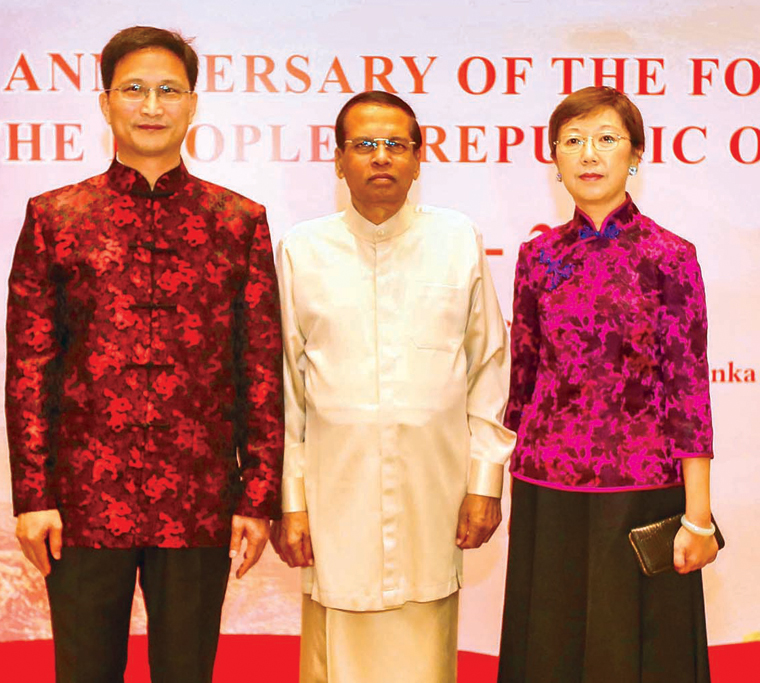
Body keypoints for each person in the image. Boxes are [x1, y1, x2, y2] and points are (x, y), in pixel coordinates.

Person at [4, 26, 283, 683]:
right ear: (105, 103)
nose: (151, 106)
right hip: (82, 499)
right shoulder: (57, 217)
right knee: (84, 669)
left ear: (192, 104)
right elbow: (30, 365)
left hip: (201, 496)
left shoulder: (237, 220)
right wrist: (32, 494)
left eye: (167, 91)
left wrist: (257, 493)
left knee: (187, 670)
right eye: (133, 90)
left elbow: (261, 367)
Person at [272, 91, 516, 683]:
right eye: (364, 145)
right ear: (338, 160)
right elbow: (287, 387)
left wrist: (484, 483)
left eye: (394, 145)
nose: (380, 157)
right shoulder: (302, 250)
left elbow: (489, 368)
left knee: (424, 651)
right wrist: (291, 500)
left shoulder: (458, 240)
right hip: (335, 503)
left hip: (433, 500)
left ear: (417, 158)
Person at [498, 86, 719, 683]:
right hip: (547, 488)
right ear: (555, 160)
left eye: (606, 139)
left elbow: (687, 389)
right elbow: (522, 380)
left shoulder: (671, 256)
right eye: (572, 141)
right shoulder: (537, 257)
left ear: (636, 155)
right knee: (549, 649)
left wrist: (697, 518)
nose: (588, 154)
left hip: (642, 488)